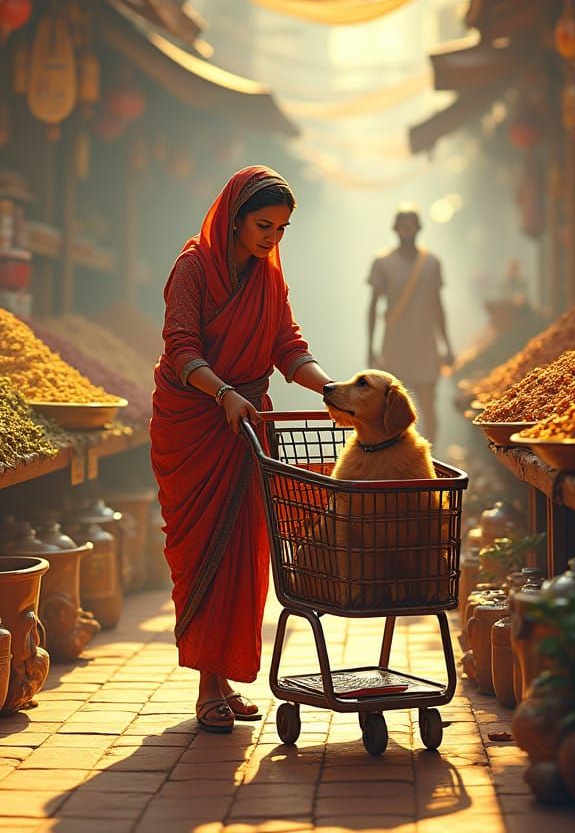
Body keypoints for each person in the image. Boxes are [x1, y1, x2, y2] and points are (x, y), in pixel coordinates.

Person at [150, 165, 332, 735]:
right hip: (195, 423)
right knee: (204, 550)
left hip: (249, 422)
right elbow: (180, 350)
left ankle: (223, 680)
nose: (270, 239)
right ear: (233, 217)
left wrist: (332, 390)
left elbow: (287, 346)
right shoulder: (191, 269)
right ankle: (207, 686)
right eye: (262, 225)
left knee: (245, 552)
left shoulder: (268, 277)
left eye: (280, 230)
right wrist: (224, 392)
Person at [367, 204, 453, 443]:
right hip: (394, 346)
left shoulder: (432, 263)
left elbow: (438, 306)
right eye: (402, 226)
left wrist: (448, 345)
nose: (407, 230)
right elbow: (373, 307)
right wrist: (369, 347)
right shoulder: (382, 262)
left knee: (428, 406)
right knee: (391, 409)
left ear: (418, 228)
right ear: (395, 228)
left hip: (426, 344)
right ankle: (394, 460)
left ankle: (431, 461)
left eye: (411, 225)